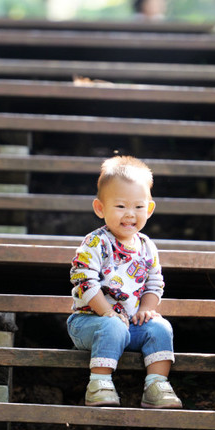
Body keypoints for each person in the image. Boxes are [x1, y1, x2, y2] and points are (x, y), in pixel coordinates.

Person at [66, 156, 182, 409]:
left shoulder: (147, 246)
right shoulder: (95, 243)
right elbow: (84, 281)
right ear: (100, 208)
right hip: (89, 322)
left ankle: (156, 385)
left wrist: (146, 310)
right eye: (120, 206)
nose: (130, 214)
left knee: (160, 327)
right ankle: (99, 383)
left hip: (129, 324)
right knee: (112, 327)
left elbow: (154, 283)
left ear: (149, 209)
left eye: (138, 207)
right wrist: (107, 312)